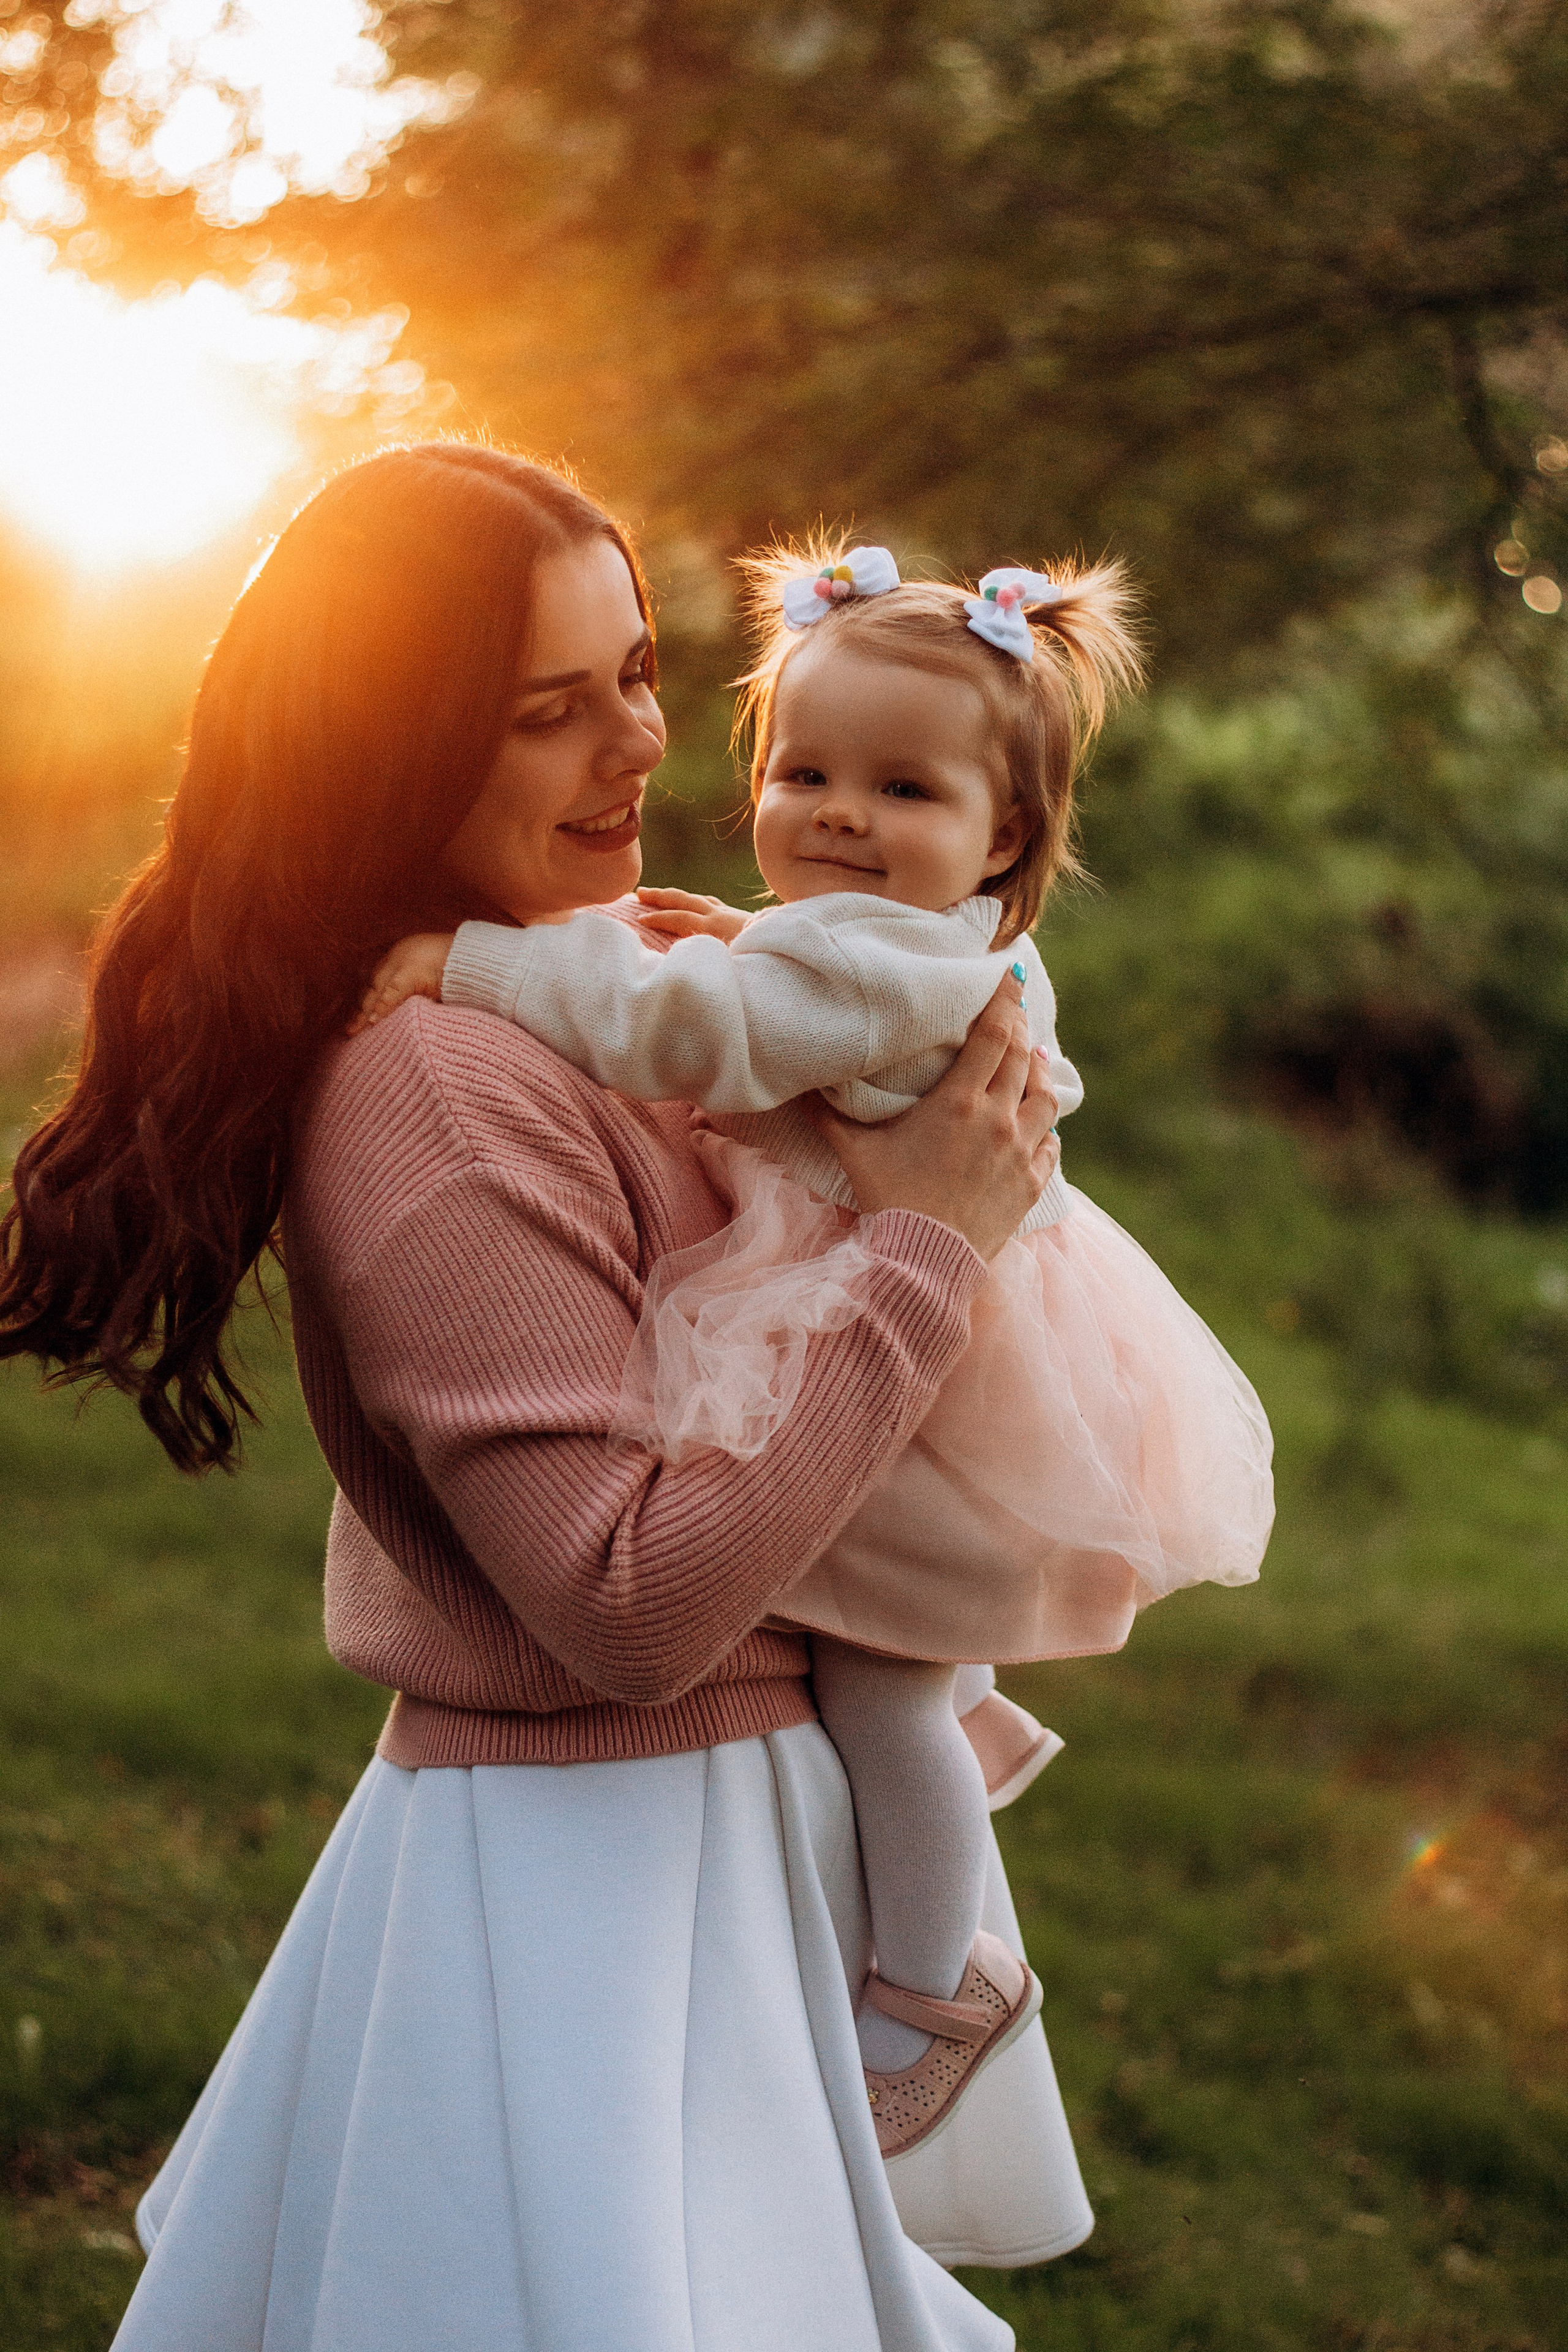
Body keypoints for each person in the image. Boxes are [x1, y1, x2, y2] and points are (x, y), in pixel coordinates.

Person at [0, 448, 1092, 2351]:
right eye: (546, 709)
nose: (635, 744)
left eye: (640, 670)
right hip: (587, 1883)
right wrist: (928, 1253)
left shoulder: (629, 965)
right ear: (398, 746)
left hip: (702, 1849)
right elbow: (629, 1604)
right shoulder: (432, 1084)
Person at [357, 535, 1275, 2163]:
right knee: (906, 1653)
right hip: (979, 1338)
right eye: (807, 771)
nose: (843, 816)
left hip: (925, 1343)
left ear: (1012, 836)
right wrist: (742, 935)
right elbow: (779, 986)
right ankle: (959, 1755)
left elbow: (692, 1030)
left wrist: (478, 968)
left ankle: (936, 1986)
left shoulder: (863, 967)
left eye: (904, 793)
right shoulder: (926, 938)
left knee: (886, 1689)